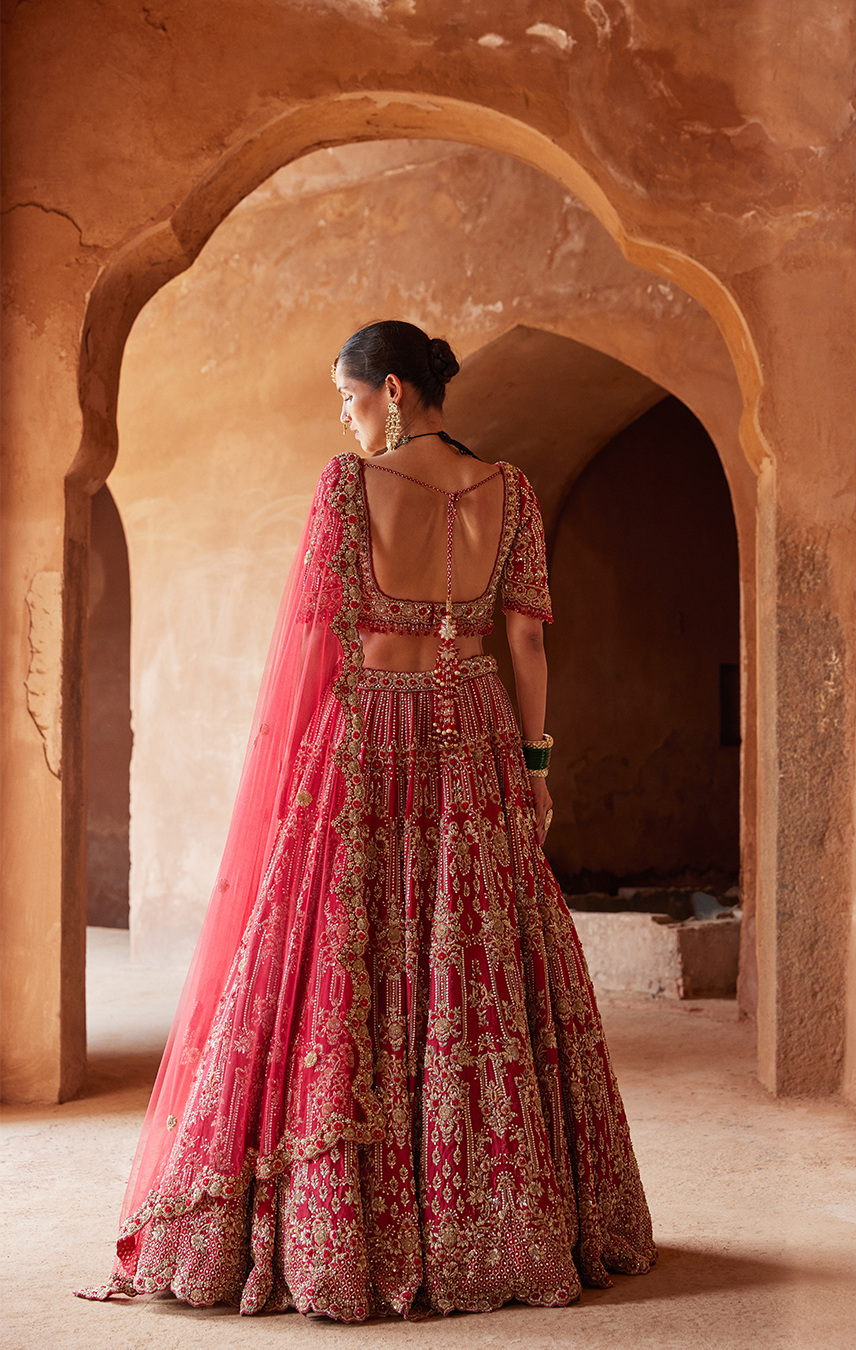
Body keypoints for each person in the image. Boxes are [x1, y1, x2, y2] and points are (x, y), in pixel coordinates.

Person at [78, 320, 655, 1321]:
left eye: (349, 400)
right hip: (476, 734)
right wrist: (536, 763)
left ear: (392, 389)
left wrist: (296, 776)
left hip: (371, 737)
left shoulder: (351, 489)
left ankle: (351, 1230)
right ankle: (504, 1223)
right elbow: (524, 643)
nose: (345, 421)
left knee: (351, 958)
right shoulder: (511, 490)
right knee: (473, 961)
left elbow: (316, 639)